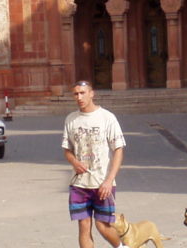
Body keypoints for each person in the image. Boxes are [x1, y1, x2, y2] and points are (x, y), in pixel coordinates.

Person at [61, 80, 128, 248]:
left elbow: (118, 149)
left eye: (83, 93)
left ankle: (121, 247)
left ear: (92, 93)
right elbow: (67, 149)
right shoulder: (71, 119)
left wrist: (109, 180)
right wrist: (74, 162)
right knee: (84, 226)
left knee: (103, 226)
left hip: (102, 183)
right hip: (79, 183)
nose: (79, 97)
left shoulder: (107, 118)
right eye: (76, 94)